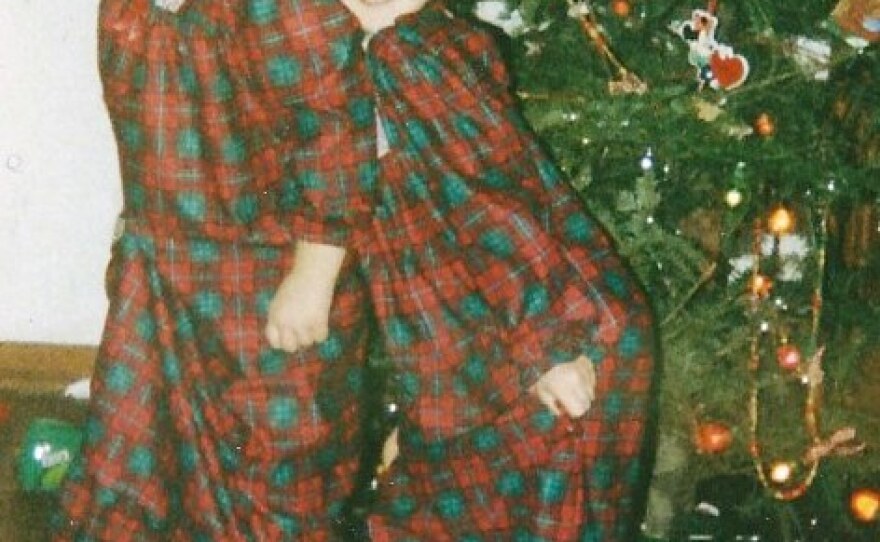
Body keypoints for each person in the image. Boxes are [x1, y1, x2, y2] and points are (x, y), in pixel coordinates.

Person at [53, 0, 383, 539]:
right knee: (141, 461)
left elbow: (338, 142)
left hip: (270, 278)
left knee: (278, 466)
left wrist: (314, 276)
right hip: (162, 273)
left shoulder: (288, 10)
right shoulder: (127, 11)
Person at [331, 1, 658, 540]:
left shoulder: (404, 56)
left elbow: (488, 204)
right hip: (485, 349)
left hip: (542, 342)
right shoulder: (402, 47)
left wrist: (548, 346)